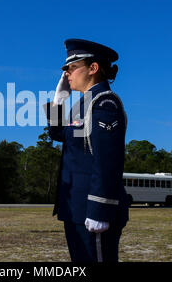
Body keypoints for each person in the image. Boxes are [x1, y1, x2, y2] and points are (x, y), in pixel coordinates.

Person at [44, 38, 128, 262]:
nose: (66, 74)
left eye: (72, 68)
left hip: (93, 209)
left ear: (93, 68)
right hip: (76, 208)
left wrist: (99, 209)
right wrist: (59, 100)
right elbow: (56, 134)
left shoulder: (104, 103)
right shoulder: (82, 104)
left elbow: (107, 161)